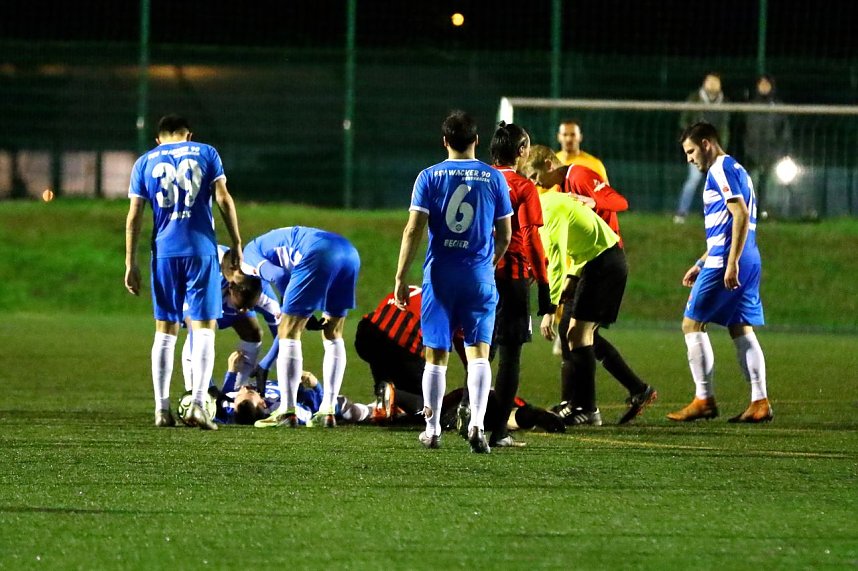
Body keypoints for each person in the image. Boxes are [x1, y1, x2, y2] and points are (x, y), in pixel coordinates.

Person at [394, 110, 513, 453]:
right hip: (478, 276)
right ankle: (476, 424)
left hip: (440, 276)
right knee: (479, 353)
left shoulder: (428, 176)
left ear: (445, 141)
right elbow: (506, 235)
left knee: (436, 354)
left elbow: (413, 230)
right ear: (476, 140)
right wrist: (488, 264)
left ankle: (432, 430)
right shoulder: (495, 178)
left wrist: (401, 276)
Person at [125, 114, 243, 430]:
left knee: (165, 331)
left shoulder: (144, 162)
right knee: (204, 328)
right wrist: (236, 243)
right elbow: (223, 198)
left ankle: (161, 410)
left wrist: (130, 262)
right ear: (189, 135)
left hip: (164, 252)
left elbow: (134, 215)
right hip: (200, 249)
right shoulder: (206, 152)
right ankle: (199, 405)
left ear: (158, 139)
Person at [524, 145, 656, 425]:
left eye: (535, 176)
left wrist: (592, 202)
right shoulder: (557, 195)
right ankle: (575, 401)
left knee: (579, 334)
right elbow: (566, 250)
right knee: (570, 331)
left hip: (603, 260)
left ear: (548, 164)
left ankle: (587, 407)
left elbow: (620, 202)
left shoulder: (578, 176)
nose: (536, 183)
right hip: (589, 260)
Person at [354, 287, 566, 437]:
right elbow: (470, 357)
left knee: (391, 374)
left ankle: (388, 395)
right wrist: (478, 379)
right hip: (401, 341)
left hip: (366, 332)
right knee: (430, 406)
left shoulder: (430, 285)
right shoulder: (463, 304)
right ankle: (395, 396)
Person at [668, 122, 772, 423]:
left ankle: (704, 399)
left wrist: (730, 262)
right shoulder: (737, 169)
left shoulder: (720, 169)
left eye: (691, 151)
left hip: (728, 260)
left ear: (706, 144)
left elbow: (739, 213)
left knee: (691, 324)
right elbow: (728, 225)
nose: (689, 158)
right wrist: (701, 262)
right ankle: (759, 401)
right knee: (740, 327)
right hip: (747, 256)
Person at [235, 226, 360, 429]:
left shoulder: (247, 258)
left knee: (288, 330)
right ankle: (327, 410)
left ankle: (287, 410)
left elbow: (278, 275)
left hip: (318, 253)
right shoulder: (265, 242)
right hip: (348, 252)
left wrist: (297, 308)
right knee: (333, 332)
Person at [487, 121, 552, 447]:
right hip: (512, 277)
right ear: (522, 150)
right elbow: (530, 239)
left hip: (478, 275)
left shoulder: (479, 179)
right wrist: (544, 287)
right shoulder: (523, 187)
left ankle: (469, 418)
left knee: (480, 353)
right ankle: (498, 431)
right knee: (509, 356)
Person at [179, 245, 281, 394]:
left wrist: (266, 365)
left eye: (250, 306)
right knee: (201, 331)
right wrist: (209, 387)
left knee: (253, 332)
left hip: (223, 293)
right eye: (241, 305)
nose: (244, 310)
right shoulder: (210, 282)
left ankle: (236, 390)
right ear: (231, 288)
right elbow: (196, 335)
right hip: (187, 289)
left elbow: (284, 335)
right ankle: (194, 391)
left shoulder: (266, 297)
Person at [674, 73, 730, 224]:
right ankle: (681, 212)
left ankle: (711, 215)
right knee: (693, 179)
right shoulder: (694, 99)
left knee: (714, 182)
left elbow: (725, 128)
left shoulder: (724, 102)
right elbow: (684, 120)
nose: (712, 85)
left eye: (715, 82)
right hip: (697, 148)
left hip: (714, 149)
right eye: (709, 81)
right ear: (704, 83)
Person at [743, 74, 791, 218]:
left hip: (772, 153)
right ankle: (751, 213)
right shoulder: (750, 106)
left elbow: (784, 131)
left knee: (771, 185)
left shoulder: (778, 106)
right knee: (753, 182)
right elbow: (745, 130)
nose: (764, 87)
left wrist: (780, 152)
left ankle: (768, 213)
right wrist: (747, 149)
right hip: (753, 153)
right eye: (761, 84)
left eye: (766, 84)